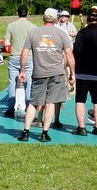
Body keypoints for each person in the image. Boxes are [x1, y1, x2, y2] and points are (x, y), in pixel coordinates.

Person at [18, 8, 74, 142]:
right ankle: (44, 133)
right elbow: (69, 55)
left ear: (43, 18)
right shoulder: (61, 34)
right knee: (50, 103)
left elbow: (24, 53)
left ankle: (25, 132)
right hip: (56, 73)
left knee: (33, 103)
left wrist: (22, 71)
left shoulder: (33, 32)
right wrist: (73, 74)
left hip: (39, 73)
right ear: (56, 19)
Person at [4, 4, 35, 119]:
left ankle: (10, 108)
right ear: (27, 13)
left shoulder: (11, 26)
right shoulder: (32, 26)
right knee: (29, 82)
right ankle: (29, 108)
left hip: (14, 56)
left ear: (17, 13)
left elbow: (7, 43)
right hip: (28, 57)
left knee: (13, 82)